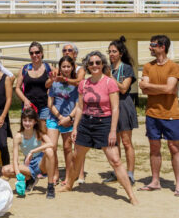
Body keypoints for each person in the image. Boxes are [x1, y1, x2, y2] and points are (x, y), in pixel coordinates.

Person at [60, 51, 138, 205]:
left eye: (97, 62)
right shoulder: (83, 84)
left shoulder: (110, 82)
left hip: (104, 123)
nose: (94, 65)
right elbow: (80, 107)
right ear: (87, 66)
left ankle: (131, 195)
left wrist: (112, 131)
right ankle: (69, 185)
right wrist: (75, 128)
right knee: (77, 158)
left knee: (115, 160)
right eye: (91, 63)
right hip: (86, 124)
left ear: (102, 64)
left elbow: (115, 109)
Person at [138, 34, 179, 195]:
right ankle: (155, 181)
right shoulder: (148, 66)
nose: (150, 47)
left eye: (153, 45)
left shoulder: (174, 66)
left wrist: (150, 87)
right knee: (154, 148)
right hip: (151, 113)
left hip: (171, 113)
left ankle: (178, 184)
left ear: (162, 47)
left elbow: (170, 89)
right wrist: (162, 88)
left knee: (174, 148)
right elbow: (143, 88)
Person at [2, 108, 56, 199]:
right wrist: (19, 176)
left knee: (49, 151)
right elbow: (15, 160)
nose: (27, 123)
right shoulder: (18, 136)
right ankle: (29, 179)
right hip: (28, 165)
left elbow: (51, 144)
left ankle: (50, 186)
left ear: (35, 122)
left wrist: (33, 151)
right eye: (25, 120)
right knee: (5, 170)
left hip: (40, 163)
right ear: (22, 121)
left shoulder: (38, 132)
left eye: (30, 121)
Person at [106, 36, 138, 185]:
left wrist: (109, 77)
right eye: (109, 51)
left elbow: (124, 88)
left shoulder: (126, 68)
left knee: (126, 142)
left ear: (121, 53)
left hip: (124, 105)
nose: (111, 54)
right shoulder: (108, 68)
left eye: (114, 51)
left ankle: (130, 174)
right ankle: (117, 172)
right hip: (110, 106)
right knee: (113, 142)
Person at [46, 56, 79, 186]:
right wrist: (60, 117)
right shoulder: (54, 82)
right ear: (60, 68)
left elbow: (78, 105)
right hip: (54, 118)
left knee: (67, 148)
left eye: (68, 66)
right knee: (52, 147)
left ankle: (68, 175)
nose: (65, 69)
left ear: (72, 68)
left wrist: (69, 118)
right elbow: (50, 103)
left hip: (69, 120)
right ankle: (55, 174)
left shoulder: (75, 84)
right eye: (63, 66)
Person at [15, 42, 51, 127]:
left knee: (43, 132)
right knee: (29, 131)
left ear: (41, 53)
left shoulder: (48, 68)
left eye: (37, 52)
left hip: (44, 106)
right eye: (31, 53)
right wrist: (25, 100)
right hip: (28, 106)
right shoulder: (24, 69)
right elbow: (17, 88)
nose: (34, 55)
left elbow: (54, 84)